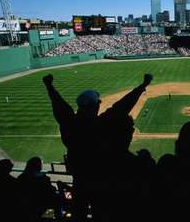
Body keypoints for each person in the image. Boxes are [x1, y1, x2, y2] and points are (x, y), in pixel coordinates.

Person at [43, 73, 153, 221]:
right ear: (94, 106)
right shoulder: (101, 125)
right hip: (101, 183)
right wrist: (142, 86)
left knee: (79, 214)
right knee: (101, 213)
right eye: (97, 104)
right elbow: (122, 106)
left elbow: (60, 107)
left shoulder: (70, 124)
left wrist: (49, 86)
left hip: (80, 180)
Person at [17, 157, 63, 221]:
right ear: (39, 166)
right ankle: (58, 218)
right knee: (58, 198)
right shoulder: (44, 178)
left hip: (27, 205)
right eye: (41, 164)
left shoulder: (21, 177)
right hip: (40, 204)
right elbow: (50, 191)